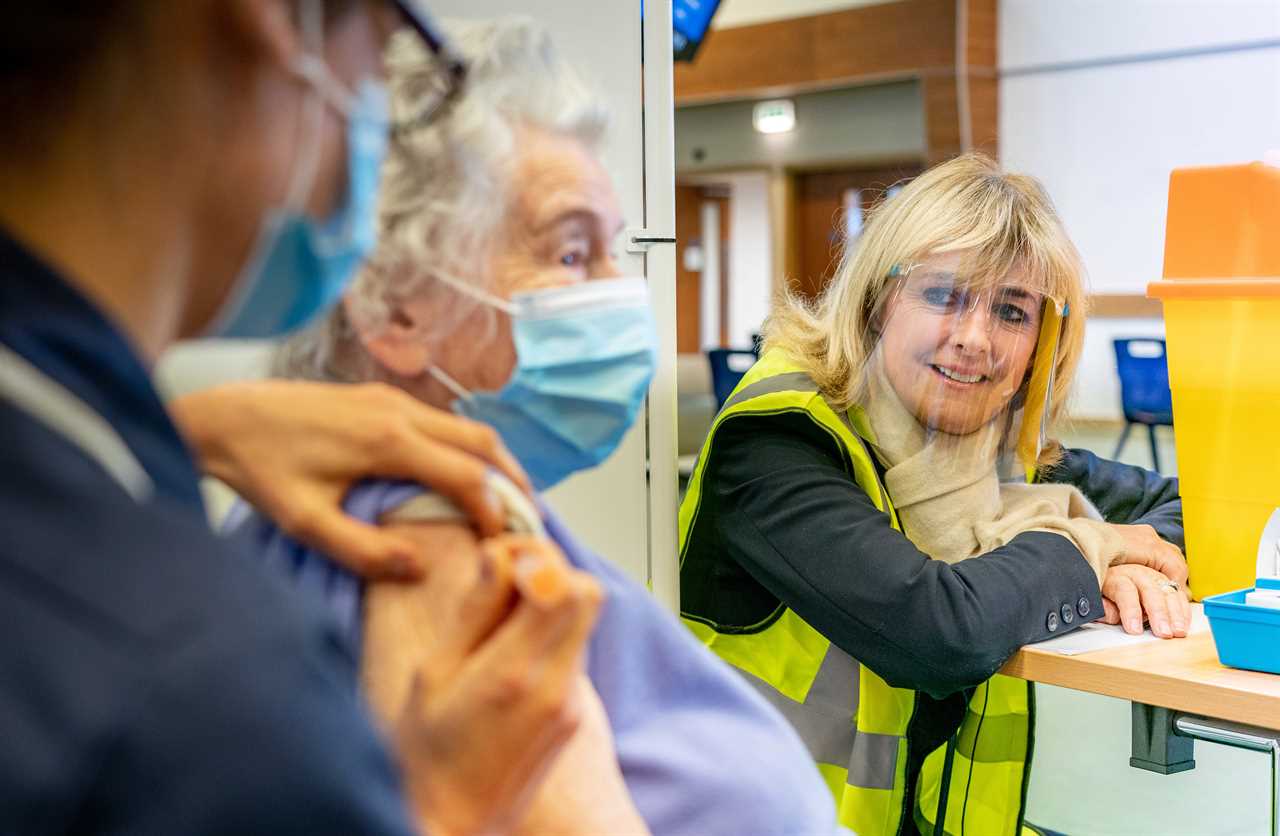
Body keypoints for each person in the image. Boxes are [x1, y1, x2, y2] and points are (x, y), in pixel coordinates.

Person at [233, 17, 847, 836]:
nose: (622, 296)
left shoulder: (455, 517)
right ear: (395, 304)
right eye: (569, 254)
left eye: (613, 254)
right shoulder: (432, 549)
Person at [0, 2, 605, 833]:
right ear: (273, 21)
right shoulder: (211, 696)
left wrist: (195, 429)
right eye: (389, 51)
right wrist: (442, 811)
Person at [678, 154, 1191, 836]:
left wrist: (1124, 559)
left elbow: (1195, 510)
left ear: (1042, 341)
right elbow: (937, 633)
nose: (975, 338)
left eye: (1012, 311)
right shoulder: (778, 438)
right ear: (878, 300)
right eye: (945, 295)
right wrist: (1090, 544)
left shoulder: (1005, 454)